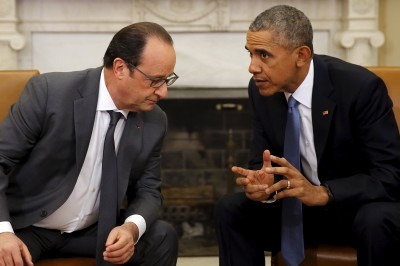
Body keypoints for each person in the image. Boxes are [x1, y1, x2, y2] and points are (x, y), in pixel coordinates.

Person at [215, 5, 400, 266]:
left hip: (356, 207)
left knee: (377, 219)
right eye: (251, 54)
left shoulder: (360, 87)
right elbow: (261, 160)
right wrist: (263, 185)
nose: (252, 67)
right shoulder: (261, 90)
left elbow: (390, 175)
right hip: (301, 207)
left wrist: (324, 193)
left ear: (301, 55)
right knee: (232, 210)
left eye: (264, 55)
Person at [0, 22, 179, 265]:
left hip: (95, 232)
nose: (163, 92)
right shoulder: (50, 94)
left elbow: (148, 189)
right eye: (155, 80)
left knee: (161, 236)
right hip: (30, 226)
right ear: (120, 68)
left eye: (168, 80)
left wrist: (130, 229)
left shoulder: (154, 120)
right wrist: (3, 232)